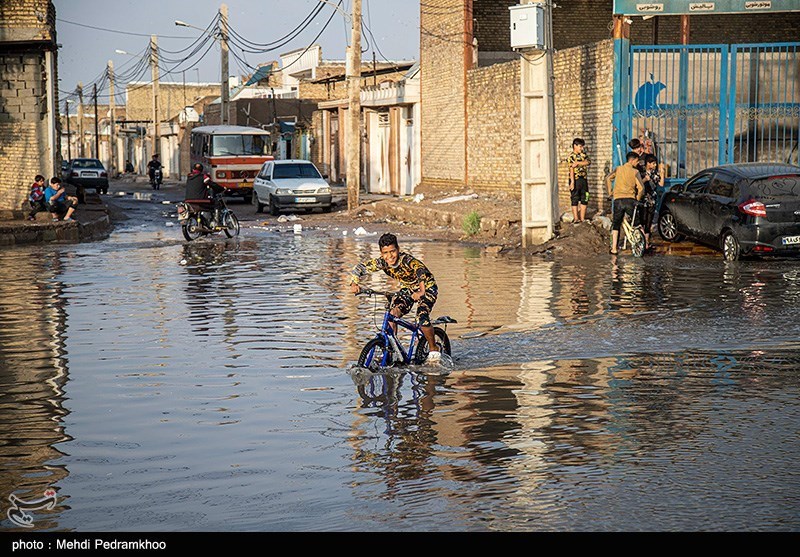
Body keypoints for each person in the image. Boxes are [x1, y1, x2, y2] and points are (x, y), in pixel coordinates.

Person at [348, 233, 442, 364]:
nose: (389, 256)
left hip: (427, 287)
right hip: (408, 289)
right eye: (385, 253)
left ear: (398, 249)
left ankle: (433, 348)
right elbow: (360, 268)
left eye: (392, 251)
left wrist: (421, 291)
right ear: (381, 253)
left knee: (422, 317)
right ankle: (391, 351)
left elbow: (421, 272)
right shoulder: (382, 263)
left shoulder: (407, 260)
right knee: (393, 314)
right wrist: (354, 283)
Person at [605, 151, 645, 255]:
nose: (637, 163)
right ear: (632, 160)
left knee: (616, 224)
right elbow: (641, 188)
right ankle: (646, 243)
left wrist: (610, 193)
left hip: (618, 200)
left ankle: (614, 249)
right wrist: (637, 198)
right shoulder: (635, 172)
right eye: (636, 161)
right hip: (630, 200)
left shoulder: (618, 169)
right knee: (637, 223)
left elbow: (608, 178)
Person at [567, 137, 591, 223]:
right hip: (575, 180)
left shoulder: (584, 155)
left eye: (582, 147)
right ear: (575, 146)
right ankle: (576, 218)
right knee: (575, 198)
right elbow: (571, 169)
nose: (582, 148)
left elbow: (588, 162)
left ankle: (582, 218)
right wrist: (572, 182)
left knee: (585, 198)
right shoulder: (571, 156)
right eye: (580, 146)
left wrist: (578, 163)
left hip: (583, 179)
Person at [641, 154, 661, 252]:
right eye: (653, 163)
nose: (655, 165)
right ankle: (641, 241)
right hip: (642, 200)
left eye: (655, 163)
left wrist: (663, 172)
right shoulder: (641, 172)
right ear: (648, 163)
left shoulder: (655, 173)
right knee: (642, 220)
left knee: (649, 221)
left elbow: (660, 183)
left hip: (652, 200)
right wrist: (645, 179)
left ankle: (646, 243)